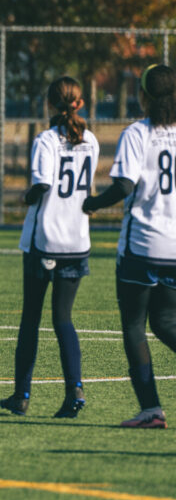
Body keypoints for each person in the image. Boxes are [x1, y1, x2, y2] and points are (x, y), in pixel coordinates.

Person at [84, 64, 176, 428]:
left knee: (135, 325)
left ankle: (151, 409)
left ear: (143, 95)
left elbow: (124, 185)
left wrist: (92, 203)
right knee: (166, 321)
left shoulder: (138, 132)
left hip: (143, 245)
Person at [0, 77, 98, 418]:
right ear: (80, 103)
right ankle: (75, 389)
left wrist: (25, 197)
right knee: (63, 319)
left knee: (31, 318)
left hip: (46, 240)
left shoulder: (46, 140)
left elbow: (41, 185)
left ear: (49, 104)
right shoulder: (91, 140)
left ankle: (22, 395)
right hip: (77, 239)